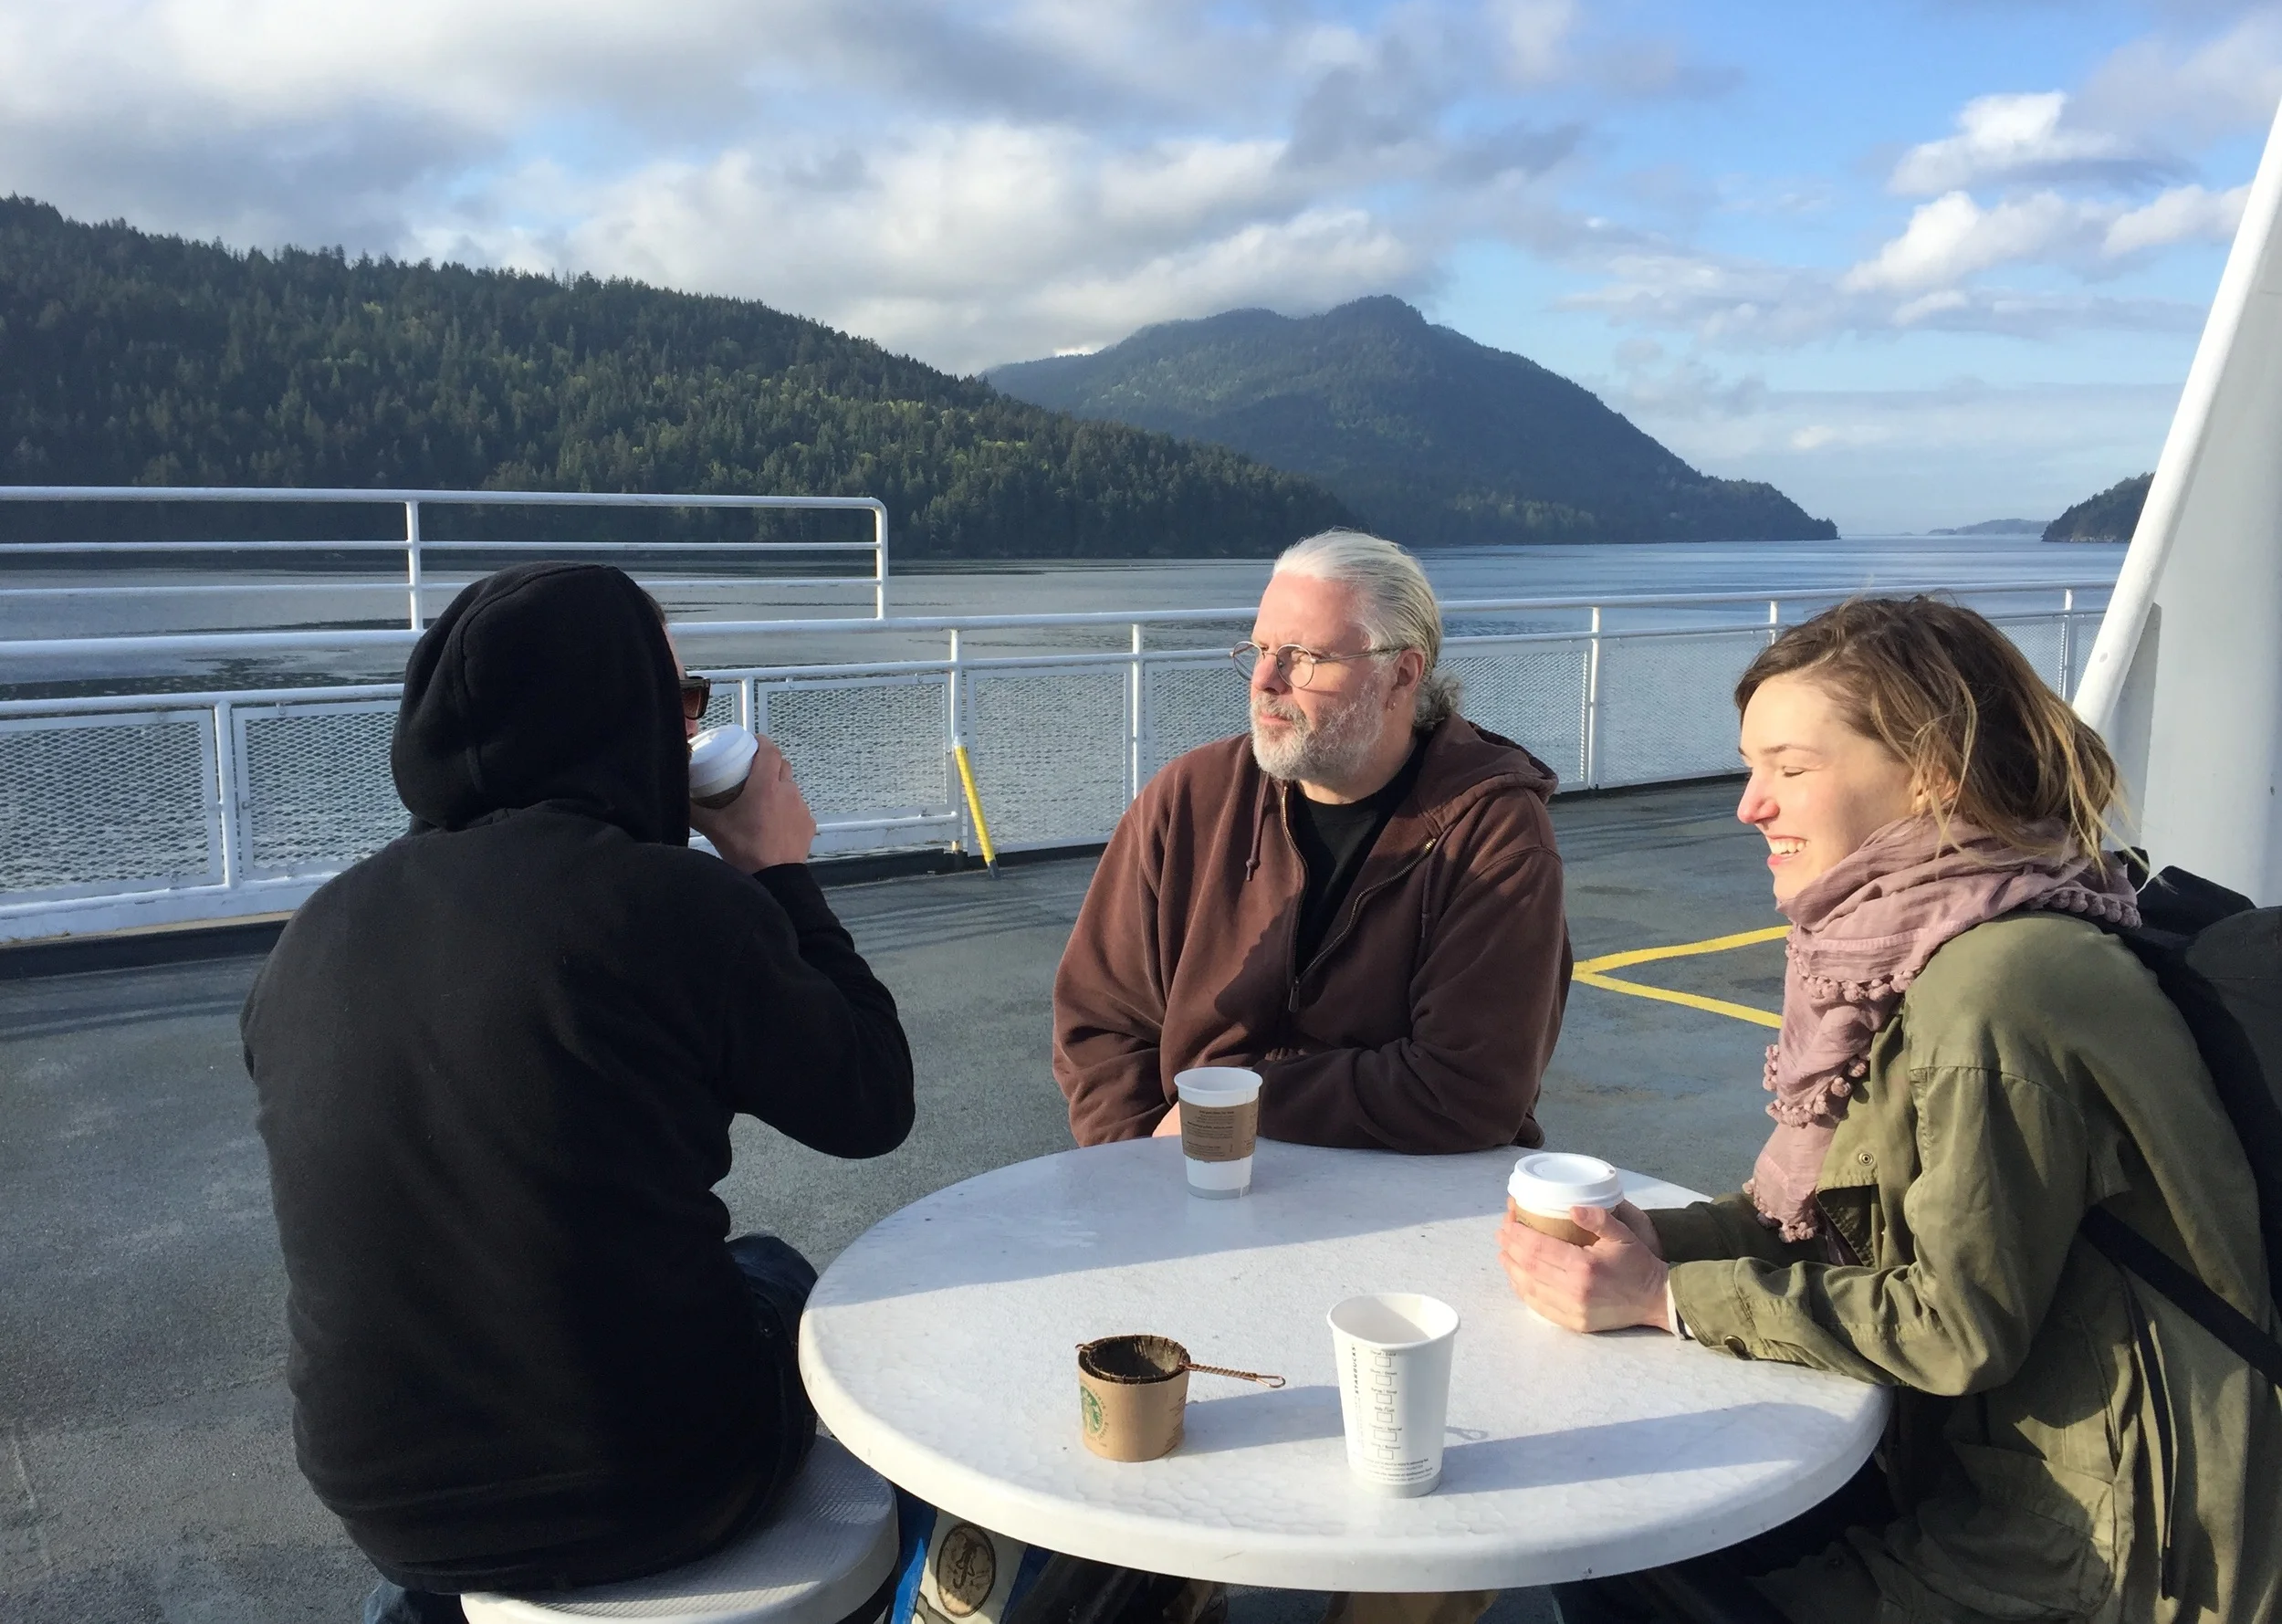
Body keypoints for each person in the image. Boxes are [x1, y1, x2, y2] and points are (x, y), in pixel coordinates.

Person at [1498, 596, 2282, 1624]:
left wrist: (1663, 1300)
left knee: (1617, 1569)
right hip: (2011, 1463)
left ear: (1932, 774)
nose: (1748, 806)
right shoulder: (1957, 923)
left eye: (1789, 768)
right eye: (1750, 767)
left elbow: (1957, 1328)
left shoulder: (1990, 989)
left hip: (2108, 1541)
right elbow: (1844, 1220)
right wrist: (1657, 1244)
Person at [241, 562, 915, 1624]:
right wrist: (777, 869)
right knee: (780, 1275)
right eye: (681, 702)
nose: (687, 730)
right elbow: (872, 1104)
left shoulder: (313, 936)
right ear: (626, 716)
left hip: (381, 1495)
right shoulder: (668, 904)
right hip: (657, 1476)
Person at [1053, 529, 1571, 1154]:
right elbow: (1101, 1022)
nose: (1265, 680)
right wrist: (1142, 1165)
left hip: (1406, 1214)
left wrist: (1240, 1110)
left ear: (1400, 675)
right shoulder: (1192, 798)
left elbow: (1468, 1087)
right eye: (1260, 648)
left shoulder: (1492, 834)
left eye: (1302, 655)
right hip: (1188, 1186)